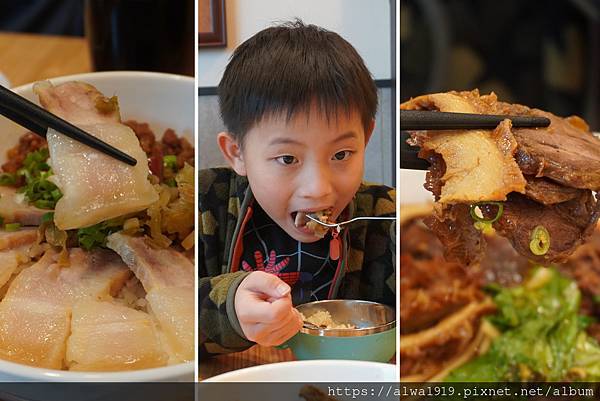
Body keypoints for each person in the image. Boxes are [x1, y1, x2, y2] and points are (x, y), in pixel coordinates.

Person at [199, 20, 395, 357]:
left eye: (341, 154)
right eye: (287, 158)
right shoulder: (206, 201)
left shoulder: (386, 214)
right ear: (238, 153)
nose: (318, 189)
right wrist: (229, 307)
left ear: (367, 138)